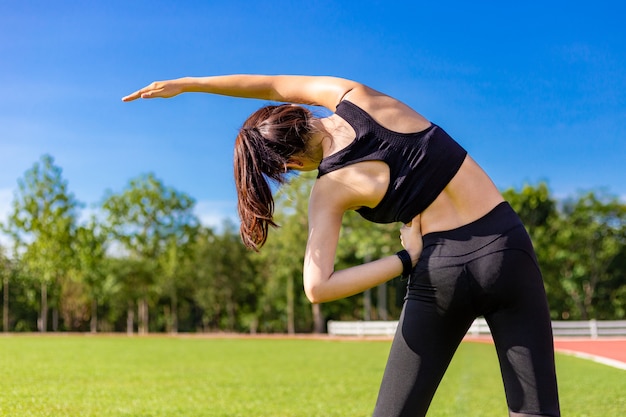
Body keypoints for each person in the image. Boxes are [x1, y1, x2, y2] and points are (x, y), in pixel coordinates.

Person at [123, 75, 560, 417]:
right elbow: (270, 80)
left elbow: (318, 287)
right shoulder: (352, 94)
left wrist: (406, 258)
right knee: (534, 410)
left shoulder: (329, 189)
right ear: (294, 112)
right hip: (507, 247)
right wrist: (189, 83)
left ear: (289, 162)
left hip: (437, 270)